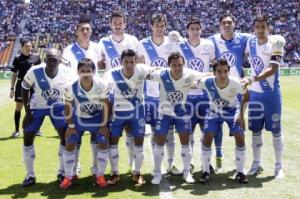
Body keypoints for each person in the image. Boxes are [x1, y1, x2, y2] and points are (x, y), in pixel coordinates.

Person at [150, 52, 206, 184]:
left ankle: (187, 172)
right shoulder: (161, 74)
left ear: (183, 65)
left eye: (179, 65)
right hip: (164, 112)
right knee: (159, 141)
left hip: (182, 112)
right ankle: (157, 172)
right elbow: (145, 74)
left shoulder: (189, 73)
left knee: (185, 141)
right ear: (169, 66)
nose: (177, 68)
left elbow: (207, 75)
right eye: (174, 65)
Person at [104, 49, 157, 186]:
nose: (129, 65)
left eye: (132, 62)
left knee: (139, 143)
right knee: (113, 143)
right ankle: (115, 173)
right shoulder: (111, 74)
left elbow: (157, 70)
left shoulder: (142, 70)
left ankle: (137, 173)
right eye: (126, 62)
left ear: (136, 62)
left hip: (137, 113)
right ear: (121, 62)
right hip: (118, 113)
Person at [137, 13, 180, 175]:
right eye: (157, 25)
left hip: (168, 94)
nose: (160, 28)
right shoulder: (142, 44)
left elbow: (179, 64)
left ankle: (170, 163)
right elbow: (141, 70)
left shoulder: (172, 43)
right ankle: (158, 164)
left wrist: (180, 38)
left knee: (170, 131)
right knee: (155, 131)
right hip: (150, 95)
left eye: (162, 26)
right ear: (151, 26)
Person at [21, 48, 72, 187]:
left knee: (64, 137)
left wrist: (70, 112)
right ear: (44, 60)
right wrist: (27, 111)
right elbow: (24, 88)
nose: (52, 62)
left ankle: (61, 172)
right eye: (49, 59)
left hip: (58, 107)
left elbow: (72, 93)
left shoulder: (67, 73)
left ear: (60, 61)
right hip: (37, 106)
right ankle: (30, 175)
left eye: (55, 60)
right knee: (27, 137)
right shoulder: (34, 71)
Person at [243, 16, 286, 179]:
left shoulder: (276, 43)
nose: (260, 30)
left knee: (276, 130)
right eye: (257, 27)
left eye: (263, 27)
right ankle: (256, 163)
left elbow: (273, 69)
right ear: (254, 28)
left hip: (271, 94)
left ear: (269, 28)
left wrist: (251, 79)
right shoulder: (250, 43)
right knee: (255, 131)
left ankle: (279, 166)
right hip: (255, 95)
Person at [208, 13, 252, 172]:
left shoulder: (244, 38)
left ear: (234, 24)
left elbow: (259, 36)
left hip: (237, 88)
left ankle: (239, 165)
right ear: (220, 25)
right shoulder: (212, 40)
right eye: (224, 23)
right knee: (216, 125)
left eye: (229, 22)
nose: (227, 25)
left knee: (239, 128)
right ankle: (218, 154)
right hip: (219, 88)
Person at [98, 11, 140, 173]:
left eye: (120, 22)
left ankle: (131, 163)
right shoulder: (103, 42)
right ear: (110, 24)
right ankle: (112, 169)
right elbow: (99, 63)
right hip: (111, 91)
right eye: (114, 22)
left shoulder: (132, 40)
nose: (117, 24)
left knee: (130, 129)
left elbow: (140, 62)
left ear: (125, 24)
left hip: (130, 91)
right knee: (110, 130)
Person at [196, 59, 248, 184]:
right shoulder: (207, 82)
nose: (223, 74)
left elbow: (247, 96)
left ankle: (240, 172)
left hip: (232, 110)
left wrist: (241, 115)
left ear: (229, 72)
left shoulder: (236, 83)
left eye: (225, 71)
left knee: (240, 135)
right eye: (219, 71)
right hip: (214, 111)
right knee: (207, 135)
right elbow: (194, 83)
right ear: (214, 73)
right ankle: (205, 171)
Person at [61, 17, 102, 179]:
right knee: (74, 134)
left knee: (95, 134)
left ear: (91, 31)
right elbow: (64, 74)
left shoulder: (97, 48)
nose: (85, 32)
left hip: (94, 96)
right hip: (76, 96)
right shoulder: (68, 50)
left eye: (87, 29)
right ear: (76, 32)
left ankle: (95, 168)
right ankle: (75, 167)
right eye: (82, 29)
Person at [60, 58, 110, 189]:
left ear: (94, 72)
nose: (86, 73)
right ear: (78, 72)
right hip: (78, 119)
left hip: (97, 118)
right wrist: (70, 126)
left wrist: (104, 125)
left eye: (89, 70)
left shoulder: (102, 84)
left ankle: (100, 175)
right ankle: (68, 176)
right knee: (70, 141)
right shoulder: (70, 86)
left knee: (103, 141)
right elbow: (68, 106)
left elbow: (106, 105)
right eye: (83, 71)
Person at [177, 17, 215, 172]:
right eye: (191, 29)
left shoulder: (209, 45)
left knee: (207, 131)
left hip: (205, 96)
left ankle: (207, 162)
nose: (194, 31)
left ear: (201, 30)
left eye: (197, 29)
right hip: (187, 96)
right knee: (188, 132)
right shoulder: (180, 46)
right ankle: (190, 162)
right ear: (187, 31)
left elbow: (216, 66)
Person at [9, 39, 42, 138]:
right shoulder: (17, 58)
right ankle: (16, 130)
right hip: (21, 85)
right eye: (26, 46)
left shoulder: (36, 57)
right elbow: (14, 74)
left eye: (30, 46)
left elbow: (40, 73)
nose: (29, 48)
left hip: (33, 85)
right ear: (22, 47)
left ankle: (36, 129)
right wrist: (12, 88)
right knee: (19, 107)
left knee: (35, 108)